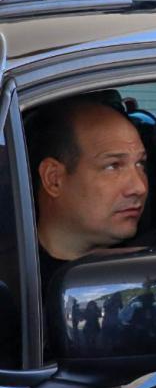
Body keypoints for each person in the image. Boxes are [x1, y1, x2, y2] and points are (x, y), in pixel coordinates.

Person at [27, 95, 149, 295]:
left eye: (140, 164)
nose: (139, 187)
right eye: (113, 166)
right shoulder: (13, 284)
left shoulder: (149, 272)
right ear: (53, 179)